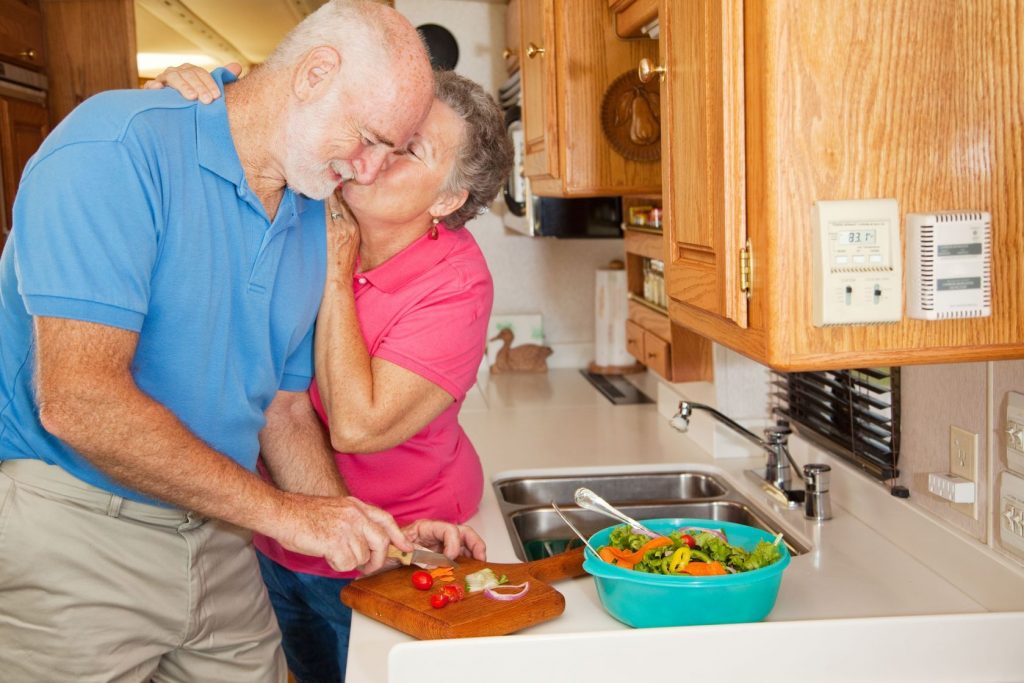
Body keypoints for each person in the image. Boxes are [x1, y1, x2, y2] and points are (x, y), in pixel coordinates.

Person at [0, 2, 485, 682]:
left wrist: (381, 537)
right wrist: (285, 514)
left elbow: (284, 412)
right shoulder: (115, 148)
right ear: (316, 74)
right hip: (79, 532)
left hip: (219, 535)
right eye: (372, 137)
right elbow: (78, 401)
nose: (371, 170)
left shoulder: (308, 212)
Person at [151, 64, 514, 681]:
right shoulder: (307, 199)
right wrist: (191, 94)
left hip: (401, 548)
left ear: (448, 200)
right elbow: (256, 123)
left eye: (412, 152)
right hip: (281, 529)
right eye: (385, 134)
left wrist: (337, 270)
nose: (374, 158)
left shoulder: (455, 283)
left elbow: (356, 425)